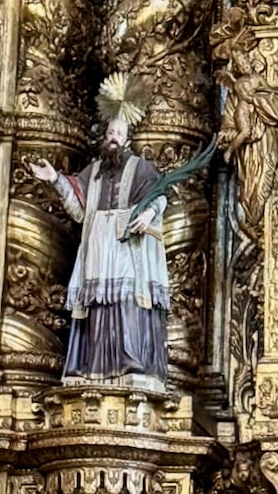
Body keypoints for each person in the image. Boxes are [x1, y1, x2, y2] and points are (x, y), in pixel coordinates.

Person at [29, 74, 206, 382]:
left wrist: (147, 215)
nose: (113, 137)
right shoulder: (94, 171)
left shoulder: (141, 168)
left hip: (126, 244)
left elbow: (159, 196)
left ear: (127, 139)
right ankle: (96, 365)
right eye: (110, 132)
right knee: (98, 304)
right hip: (98, 242)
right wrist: (55, 179)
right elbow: (79, 208)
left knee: (126, 300)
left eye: (119, 133)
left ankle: (129, 361)